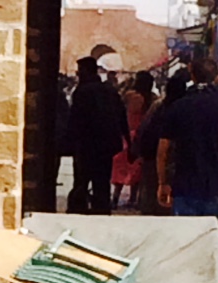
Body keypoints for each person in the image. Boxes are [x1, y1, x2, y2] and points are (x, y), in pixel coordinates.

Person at [157, 58, 218, 223]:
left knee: (185, 240)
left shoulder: (177, 107)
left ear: (193, 76)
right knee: (212, 240)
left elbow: (163, 150)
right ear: (217, 77)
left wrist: (163, 182)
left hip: (184, 186)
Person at [66, 56, 130, 215]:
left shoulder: (82, 92)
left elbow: (76, 119)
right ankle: (101, 210)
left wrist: (70, 142)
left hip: (86, 144)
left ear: (86, 71)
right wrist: (127, 139)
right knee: (102, 181)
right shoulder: (109, 90)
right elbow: (121, 115)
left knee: (82, 179)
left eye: (80, 71)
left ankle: (78, 209)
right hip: (107, 144)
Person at [134, 75, 187, 216]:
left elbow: (144, 129)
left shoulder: (158, 106)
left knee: (151, 194)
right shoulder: (183, 108)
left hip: (151, 156)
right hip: (175, 160)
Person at [111, 70, 156, 209]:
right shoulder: (153, 98)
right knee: (137, 169)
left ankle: (115, 197)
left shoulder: (129, 95)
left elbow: (119, 107)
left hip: (127, 134)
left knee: (120, 168)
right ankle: (133, 198)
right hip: (142, 135)